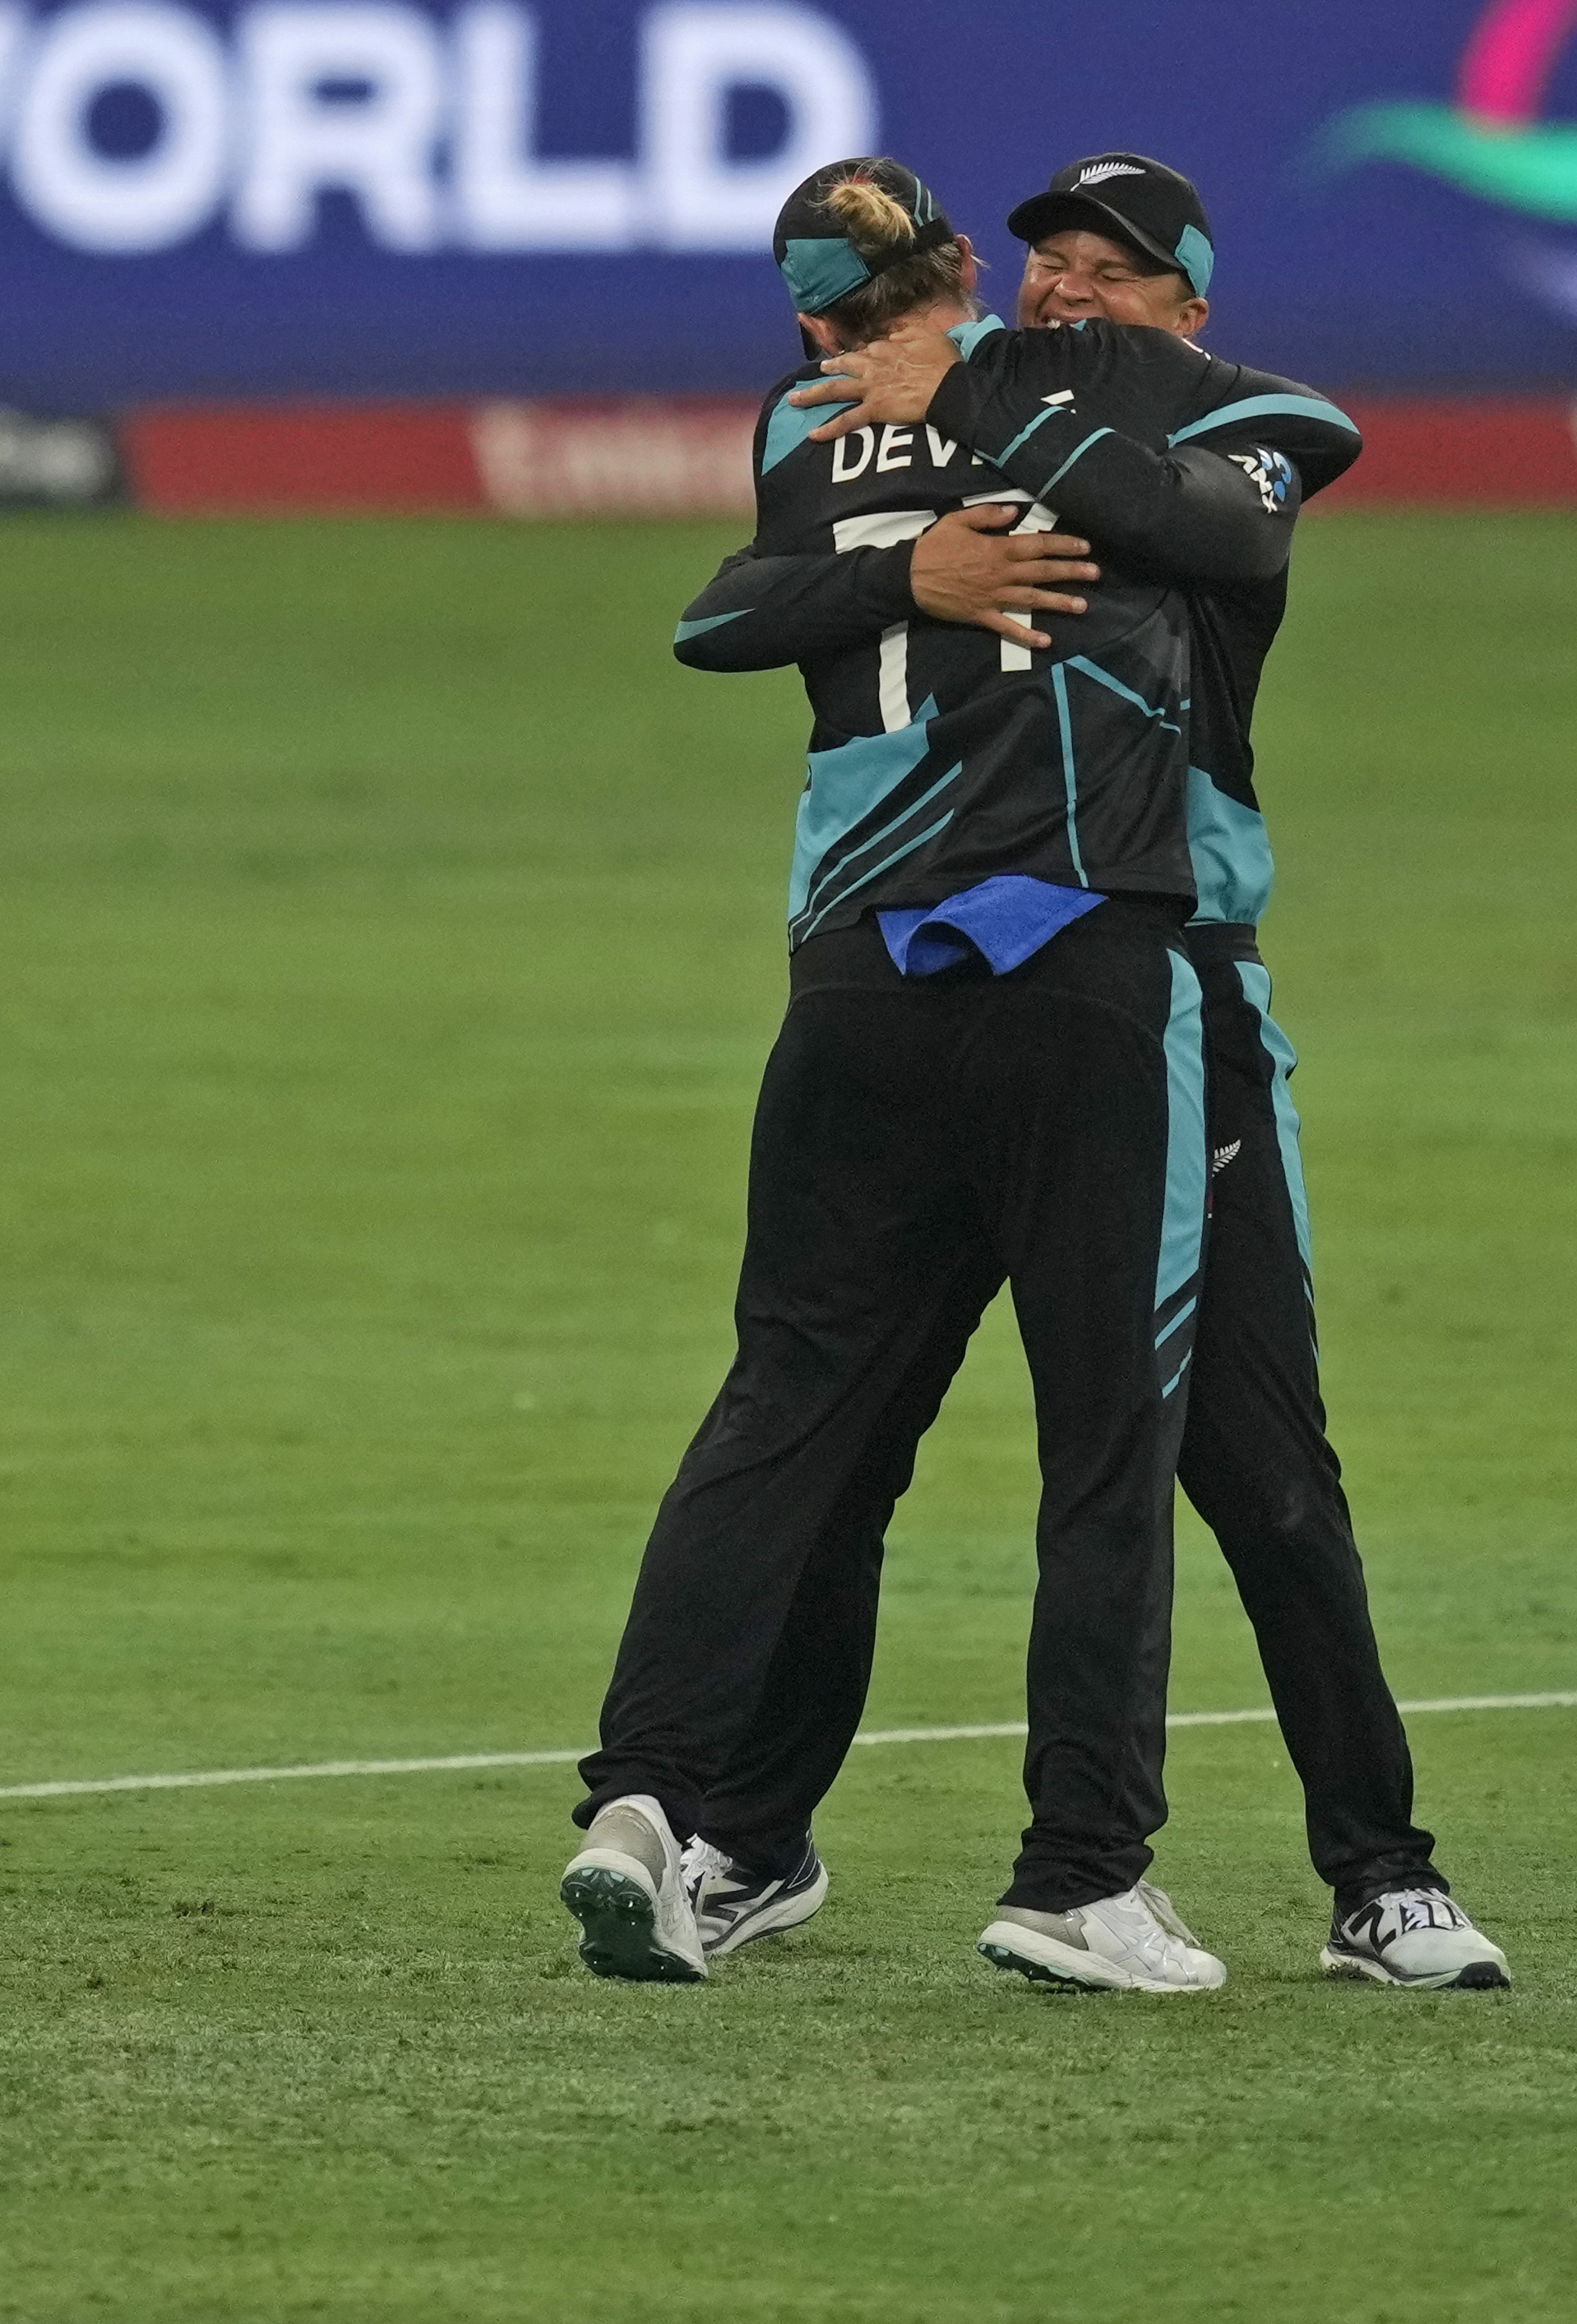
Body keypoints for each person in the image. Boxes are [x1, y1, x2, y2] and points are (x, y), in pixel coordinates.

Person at [682, 153, 1511, 1991]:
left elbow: (1212, 529)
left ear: (1188, 306)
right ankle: (752, 1833)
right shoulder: (967, 429)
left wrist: (966, 388)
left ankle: (1379, 1869)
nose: (1070, 287)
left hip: (1177, 1001)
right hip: (980, 989)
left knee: (1263, 1463)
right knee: (851, 1428)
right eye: (1048, 258)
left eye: (1115, 271)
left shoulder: (1233, 426)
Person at [562, 159, 1309, 1993]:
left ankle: (668, 1811)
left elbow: (719, 619)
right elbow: (1242, 505)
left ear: (810, 314)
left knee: (799, 1412)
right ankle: (1079, 1870)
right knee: (1104, 1431)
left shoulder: (795, 424)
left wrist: (889, 551)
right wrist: (961, 498)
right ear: (973, 271)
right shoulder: (1083, 387)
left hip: (852, 972)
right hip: (1073, 959)